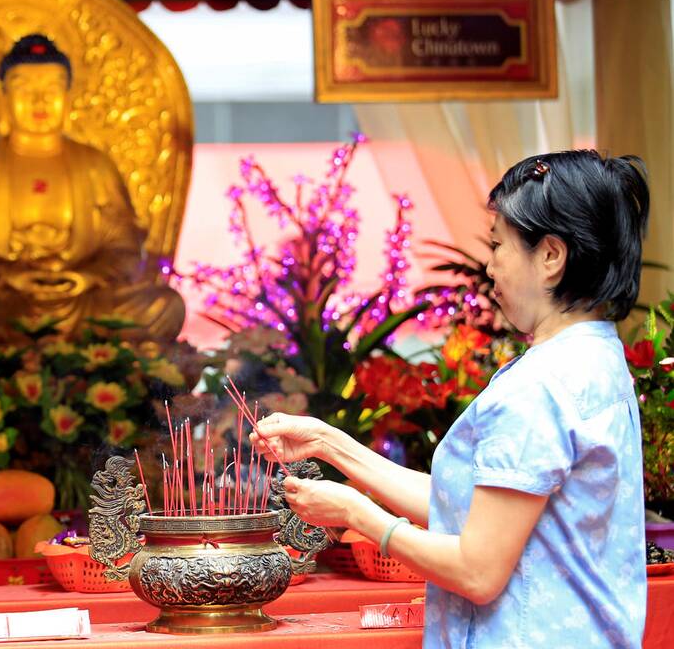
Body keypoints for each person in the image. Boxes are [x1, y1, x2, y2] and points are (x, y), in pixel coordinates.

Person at [253, 150, 650, 648]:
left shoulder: (542, 386)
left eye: (499, 245)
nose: (490, 265)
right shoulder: (594, 357)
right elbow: (464, 504)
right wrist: (330, 444)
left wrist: (357, 513)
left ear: (551, 256)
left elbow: (478, 571)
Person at [0, 34, 184, 346]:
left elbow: (124, 249)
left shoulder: (94, 165)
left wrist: (86, 277)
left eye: (51, 88)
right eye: (25, 88)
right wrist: (6, 277)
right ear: (3, 97)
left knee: (163, 306)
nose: (39, 100)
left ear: (69, 96)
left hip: (84, 303)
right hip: (1, 304)